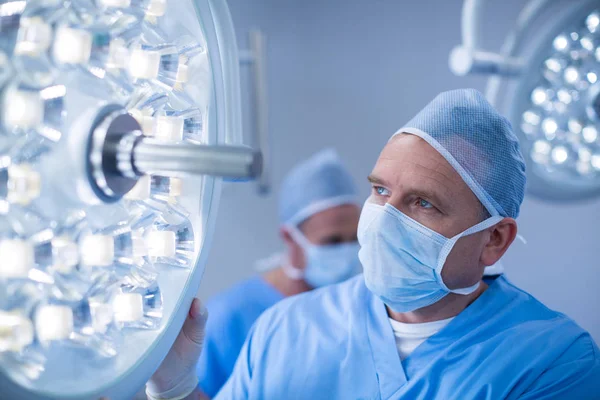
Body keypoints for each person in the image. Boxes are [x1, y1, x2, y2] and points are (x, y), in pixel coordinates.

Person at [148, 89, 600, 399]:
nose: (384, 221)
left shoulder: (552, 359)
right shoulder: (287, 328)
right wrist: (179, 388)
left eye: (423, 203)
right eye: (381, 191)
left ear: (494, 240)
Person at [195, 149, 362, 397]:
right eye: (332, 241)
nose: (347, 252)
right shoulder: (231, 316)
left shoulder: (358, 306)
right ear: (289, 237)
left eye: (354, 239)